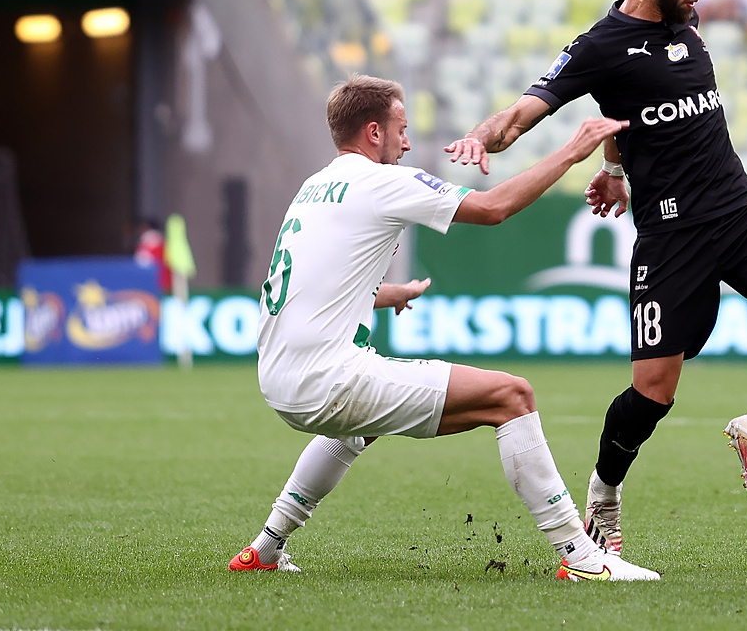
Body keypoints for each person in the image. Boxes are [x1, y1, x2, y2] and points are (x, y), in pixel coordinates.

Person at [447, 0, 747, 550]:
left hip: (739, 213)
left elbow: (633, 109)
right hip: (672, 241)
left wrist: (615, 169)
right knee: (655, 391)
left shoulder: (686, 24)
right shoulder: (601, 46)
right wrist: (484, 137)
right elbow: (526, 111)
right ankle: (605, 497)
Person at [228, 75, 658, 582]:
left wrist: (390, 294)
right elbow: (493, 207)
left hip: (278, 375)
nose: (407, 142)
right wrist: (574, 150)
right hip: (327, 379)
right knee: (512, 396)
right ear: (372, 133)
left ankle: (266, 548)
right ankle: (583, 558)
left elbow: (308, 283)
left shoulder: (315, 186)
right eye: (400, 129)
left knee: (352, 434)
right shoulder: (380, 182)